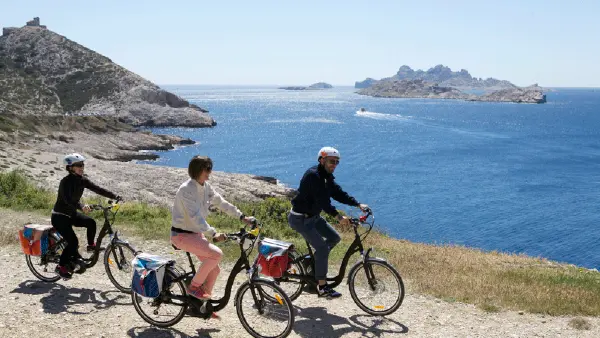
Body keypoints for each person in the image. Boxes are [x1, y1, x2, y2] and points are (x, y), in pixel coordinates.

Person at [171, 155, 255, 304]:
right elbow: (195, 218)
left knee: (214, 270)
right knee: (216, 254)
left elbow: (221, 202)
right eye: (207, 169)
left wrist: (241, 216)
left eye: (210, 169)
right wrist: (214, 233)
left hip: (195, 234)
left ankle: (204, 305)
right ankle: (194, 287)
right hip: (181, 235)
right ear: (198, 170)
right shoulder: (186, 190)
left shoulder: (205, 187)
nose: (209, 173)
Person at [288, 147, 368, 298]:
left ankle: (313, 263)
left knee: (334, 238)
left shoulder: (326, 176)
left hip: (313, 217)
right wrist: (339, 217)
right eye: (332, 161)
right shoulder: (314, 176)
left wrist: (357, 204)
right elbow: (323, 202)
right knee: (323, 249)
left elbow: (337, 193)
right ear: (322, 160)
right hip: (300, 219)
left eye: (337, 162)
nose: (335, 165)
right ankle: (322, 287)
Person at [51, 153, 122, 280]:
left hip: (71, 214)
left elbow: (98, 189)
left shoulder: (82, 180)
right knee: (73, 242)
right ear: (70, 167)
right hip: (60, 216)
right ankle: (61, 267)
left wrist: (114, 196)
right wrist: (82, 206)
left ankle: (91, 246)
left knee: (91, 222)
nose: (81, 167)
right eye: (78, 165)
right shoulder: (65, 182)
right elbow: (68, 200)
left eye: (82, 165)